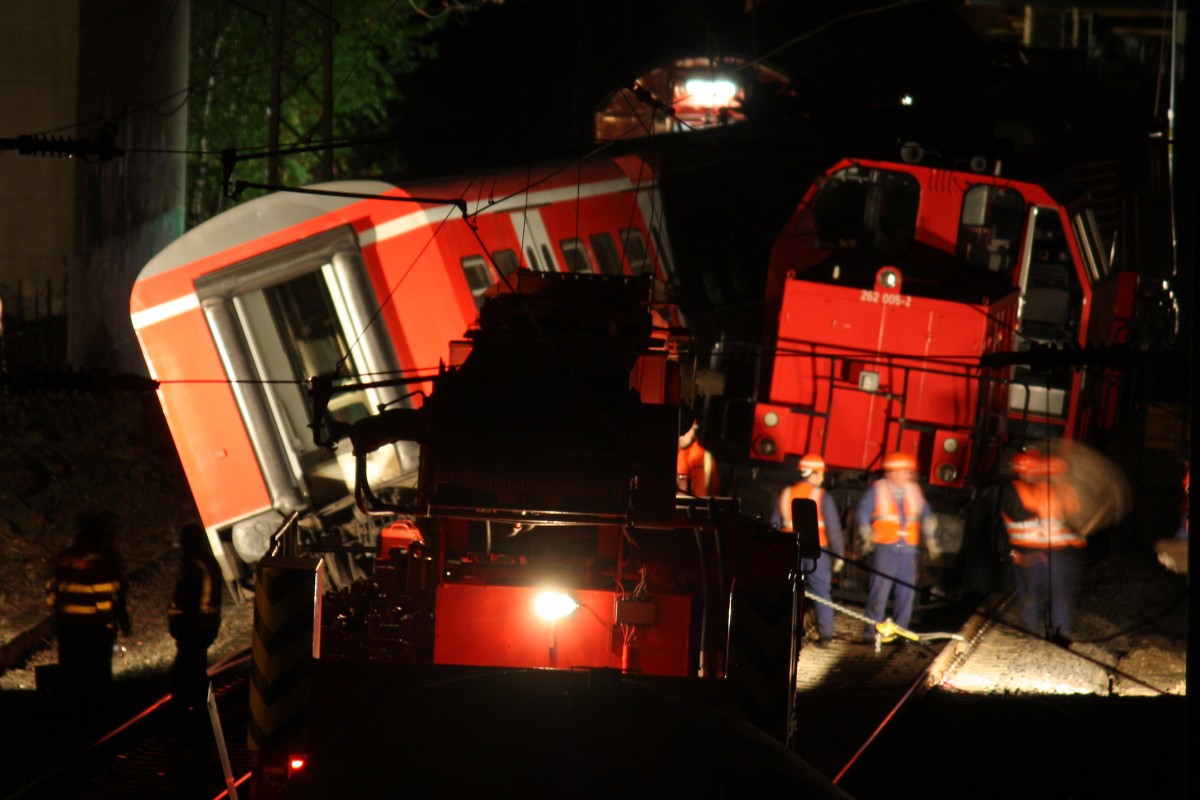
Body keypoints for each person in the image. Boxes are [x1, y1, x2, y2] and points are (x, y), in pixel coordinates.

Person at [45, 510, 131, 699]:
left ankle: (74, 713)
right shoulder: (99, 564)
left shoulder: (63, 560)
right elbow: (103, 601)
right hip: (93, 631)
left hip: (67, 629)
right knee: (97, 676)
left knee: (72, 674)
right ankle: (99, 713)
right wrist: (109, 627)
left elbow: (51, 595)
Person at [1001, 451, 1085, 637]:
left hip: (1033, 551)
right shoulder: (1063, 492)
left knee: (1031, 592)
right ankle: (1060, 630)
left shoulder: (1028, 490)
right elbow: (1072, 520)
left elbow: (1021, 516)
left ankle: (1031, 628)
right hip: (1057, 552)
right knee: (1058, 593)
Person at [856, 451, 936, 643]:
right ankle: (871, 633)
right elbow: (863, 513)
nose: (905, 476)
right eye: (901, 472)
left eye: (907, 472)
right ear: (890, 473)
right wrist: (867, 536)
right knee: (879, 593)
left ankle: (901, 633)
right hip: (886, 549)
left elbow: (927, 515)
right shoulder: (878, 489)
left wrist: (931, 541)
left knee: (906, 595)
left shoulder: (914, 490)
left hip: (907, 551)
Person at [773, 454, 845, 645]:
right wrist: (838, 555)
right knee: (821, 591)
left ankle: (781, 631)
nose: (822, 478)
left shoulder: (786, 493)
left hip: (789, 549)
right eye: (821, 473)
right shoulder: (822, 496)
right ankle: (826, 635)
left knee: (787, 590)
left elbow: (774, 525)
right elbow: (834, 528)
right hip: (816, 551)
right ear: (813, 474)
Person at [167, 523, 224, 713]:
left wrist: (180, 626)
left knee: (185, 673)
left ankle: (195, 714)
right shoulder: (205, 561)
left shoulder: (194, 566)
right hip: (203, 625)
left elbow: (189, 601)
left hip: (195, 628)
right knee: (194, 671)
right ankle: (201, 710)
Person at [677, 419, 718, 497]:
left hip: (700, 506)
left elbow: (714, 490)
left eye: (687, 429)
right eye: (681, 429)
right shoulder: (671, 454)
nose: (683, 434)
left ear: (694, 430)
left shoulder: (705, 457)